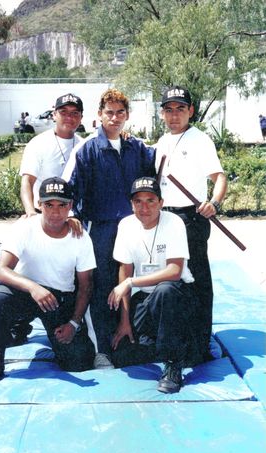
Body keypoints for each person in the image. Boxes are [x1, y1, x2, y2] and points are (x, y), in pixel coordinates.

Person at [66, 88, 155, 369]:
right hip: (99, 232)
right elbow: (67, 189)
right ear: (99, 115)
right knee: (101, 288)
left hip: (132, 229)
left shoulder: (137, 148)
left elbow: (158, 170)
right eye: (109, 112)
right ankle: (101, 348)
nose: (114, 118)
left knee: (132, 284)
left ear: (127, 116)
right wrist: (72, 215)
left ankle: (131, 338)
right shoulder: (87, 149)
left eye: (120, 113)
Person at [0, 177, 96, 384]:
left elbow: (86, 286)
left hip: (58, 300)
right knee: (0, 297)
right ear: (39, 204)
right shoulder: (25, 228)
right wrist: (34, 288)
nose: (55, 212)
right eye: (49, 205)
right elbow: (0, 270)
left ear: (70, 206)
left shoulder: (80, 236)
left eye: (62, 205)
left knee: (80, 362)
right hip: (26, 293)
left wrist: (73, 323)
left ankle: (40, 330)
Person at [155, 86, 227, 363]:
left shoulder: (200, 140)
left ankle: (200, 344)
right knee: (171, 281)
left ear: (191, 111)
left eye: (180, 109)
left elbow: (219, 177)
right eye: (169, 109)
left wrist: (214, 202)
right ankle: (177, 338)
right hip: (165, 217)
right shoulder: (162, 142)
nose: (174, 115)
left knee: (196, 280)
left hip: (191, 217)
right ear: (162, 113)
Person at [108, 177, 196, 393]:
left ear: (161, 202)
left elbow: (174, 272)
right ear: (131, 204)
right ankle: (169, 341)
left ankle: (173, 364)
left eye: (150, 200)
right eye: (138, 201)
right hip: (146, 296)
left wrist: (131, 282)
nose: (144, 207)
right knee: (123, 355)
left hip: (176, 293)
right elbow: (124, 271)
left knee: (164, 290)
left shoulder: (174, 222)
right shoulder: (126, 225)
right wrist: (124, 321)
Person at [19, 93, 84, 217]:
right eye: (63, 112)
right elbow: (27, 181)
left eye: (75, 113)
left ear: (81, 117)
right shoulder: (38, 143)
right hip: (43, 215)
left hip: (75, 217)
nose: (69, 117)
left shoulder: (84, 146)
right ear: (54, 115)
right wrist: (30, 212)